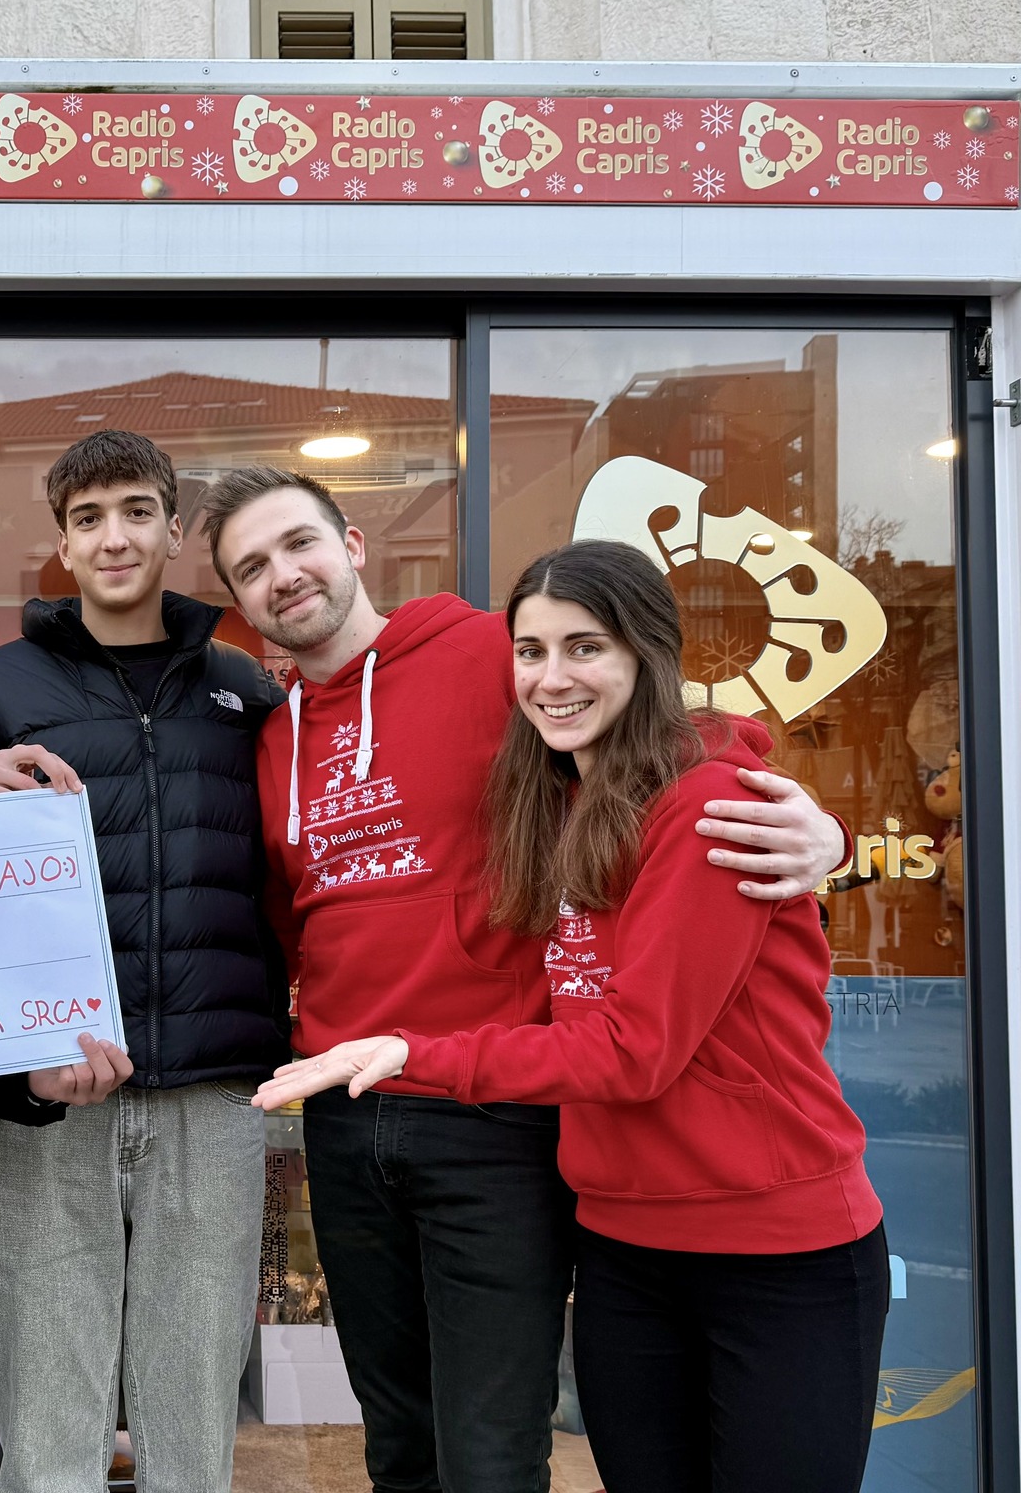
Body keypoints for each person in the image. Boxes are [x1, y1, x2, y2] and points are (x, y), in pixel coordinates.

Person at [198, 465, 848, 1493]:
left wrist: (816, 829)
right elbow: (290, 917)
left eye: (298, 543)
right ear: (238, 600)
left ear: (352, 545)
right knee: (396, 1439)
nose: (283, 575)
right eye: (251, 567)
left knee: (491, 1452)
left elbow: (657, 732)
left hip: (496, 1110)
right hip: (350, 1111)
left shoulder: (484, 652)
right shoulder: (274, 738)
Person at [0, 429, 286, 1493]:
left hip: (213, 1098)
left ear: (174, 532)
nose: (113, 537)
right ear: (63, 546)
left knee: (193, 1432)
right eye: (88, 519)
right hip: (47, 1100)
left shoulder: (244, 691)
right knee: (48, 1436)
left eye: (135, 512)